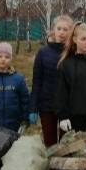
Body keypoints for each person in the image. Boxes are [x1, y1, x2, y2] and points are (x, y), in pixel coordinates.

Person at [32, 15, 74, 146]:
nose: (62, 32)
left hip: (68, 107)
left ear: (71, 32)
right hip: (47, 105)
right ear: (53, 30)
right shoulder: (43, 52)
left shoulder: (73, 53)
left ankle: (63, 167)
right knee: (50, 144)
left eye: (66, 29)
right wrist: (32, 108)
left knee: (66, 144)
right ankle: (50, 166)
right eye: (59, 28)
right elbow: (37, 81)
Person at [0, 42, 33, 132]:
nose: (3, 59)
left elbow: (25, 101)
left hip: (13, 126)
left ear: (11, 59)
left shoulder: (18, 79)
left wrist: (25, 120)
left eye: (7, 57)